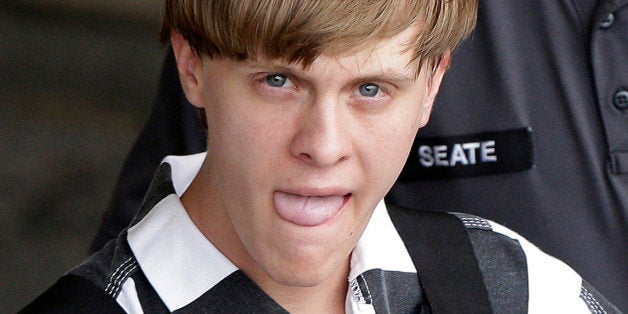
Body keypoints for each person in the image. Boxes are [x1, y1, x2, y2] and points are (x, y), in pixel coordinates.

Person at [23, 0, 620, 312]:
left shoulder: (516, 283)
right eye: (279, 81)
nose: (324, 145)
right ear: (192, 67)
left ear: (432, 87)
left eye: (369, 89)